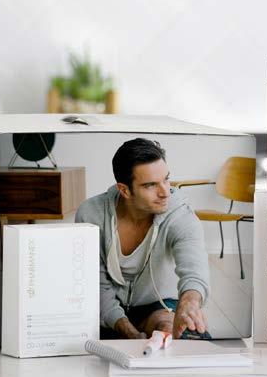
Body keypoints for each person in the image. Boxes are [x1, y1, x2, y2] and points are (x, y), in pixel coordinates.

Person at [75, 138, 210, 339]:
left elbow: (194, 270)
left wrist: (189, 302)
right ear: (124, 190)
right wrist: (127, 330)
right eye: (151, 185)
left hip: (158, 304)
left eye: (166, 179)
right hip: (106, 308)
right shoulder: (91, 214)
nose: (165, 192)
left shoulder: (181, 216)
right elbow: (97, 284)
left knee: (176, 332)